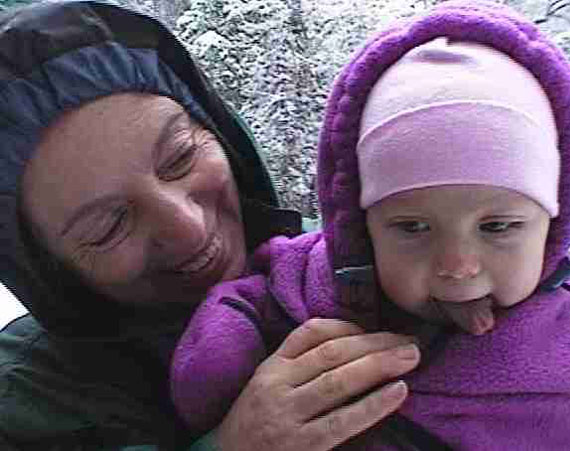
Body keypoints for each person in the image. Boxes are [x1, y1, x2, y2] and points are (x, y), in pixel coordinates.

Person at [171, 0, 570, 449]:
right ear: (362, 224)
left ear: (552, 221)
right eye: (413, 227)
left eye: (497, 227)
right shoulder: (317, 282)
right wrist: (221, 379)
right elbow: (245, 300)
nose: (457, 265)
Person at [0, 1, 418, 450]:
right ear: (46, 267)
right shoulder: (25, 402)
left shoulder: (356, 262)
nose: (191, 228)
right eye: (108, 226)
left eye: (180, 157)